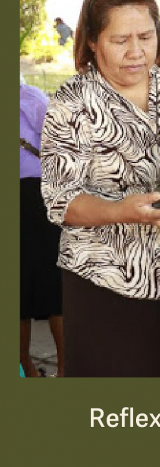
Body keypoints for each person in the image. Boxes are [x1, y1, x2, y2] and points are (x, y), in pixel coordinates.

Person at [40, 0, 160, 377]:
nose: (136, 52)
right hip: (105, 282)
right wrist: (123, 210)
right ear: (92, 40)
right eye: (119, 40)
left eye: (146, 37)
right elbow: (62, 200)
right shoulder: (72, 103)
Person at [20, 81, 64, 377]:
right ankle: (31, 369)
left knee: (45, 287)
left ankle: (58, 369)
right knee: (37, 289)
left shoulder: (29, 97)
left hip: (35, 198)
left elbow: (56, 148)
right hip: (30, 198)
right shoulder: (28, 96)